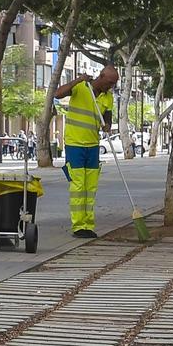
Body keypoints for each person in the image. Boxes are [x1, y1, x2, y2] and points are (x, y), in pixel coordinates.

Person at [55, 67, 117, 238]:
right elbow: (58, 94)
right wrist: (77, 80)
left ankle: (88, 224)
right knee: (78, 186)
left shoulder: (108, 97)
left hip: (93, 146)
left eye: (114, 84)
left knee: (91, 187)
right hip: (75, 144)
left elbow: (108, 115)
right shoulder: (81, 87)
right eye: (110, 82)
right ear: (101, 76)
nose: (111, 86)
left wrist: (108, 126)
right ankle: (78, 226)